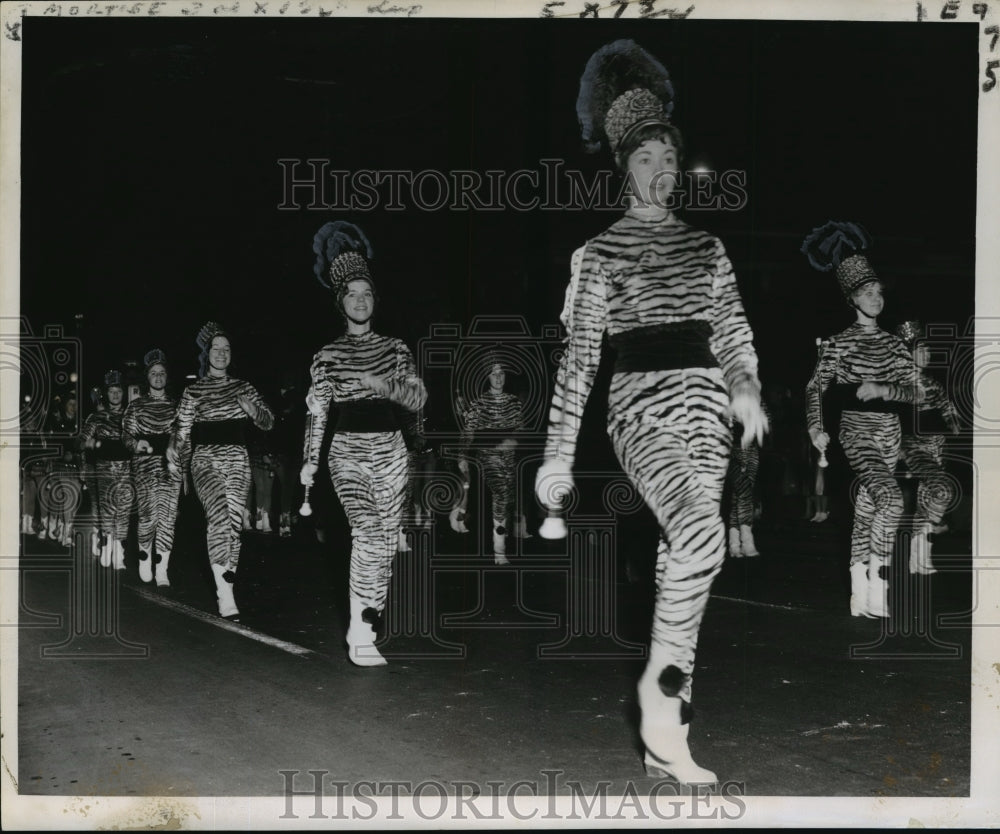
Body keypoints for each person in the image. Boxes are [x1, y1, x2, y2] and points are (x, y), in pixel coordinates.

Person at [534, 40, 767, 785]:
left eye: (670, 158)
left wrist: (747, 388)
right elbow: (578, 363)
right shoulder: (596, 255)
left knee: (687, 558)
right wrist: (556, 456)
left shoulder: (708, 248)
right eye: (646, 159)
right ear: (622, 168)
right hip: (640, 412)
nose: (661, 171)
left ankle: (669, 734)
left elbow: (732, 331)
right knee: (703, 536)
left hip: (706, 413)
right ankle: (659, 702)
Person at [301, 221, 428, 667]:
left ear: (375, 299)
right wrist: (309, 463)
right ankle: (359, 630)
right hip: (347, 453)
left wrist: (379, 381)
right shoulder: (326, 356)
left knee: (386, 540)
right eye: (352, 294)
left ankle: (367, 620)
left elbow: (417, 397)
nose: (360, 300)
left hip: (391, 450)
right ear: (341, 302)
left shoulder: (396, 349)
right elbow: (317, 412)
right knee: (368, 529)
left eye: (367, 293)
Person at [802, 221, 924, 619]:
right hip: (856, 431)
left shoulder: (893, 344)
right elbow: (815, 388)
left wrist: (885, 390)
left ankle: (859, 589)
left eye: (878, 292)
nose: (876, 298)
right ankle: (878, 581)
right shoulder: (838, 343)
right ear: (851, 298)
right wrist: (815, 427)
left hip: (891, 433)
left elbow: (919, 392)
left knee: (871, 506)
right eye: (868, 293)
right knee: (891, 499)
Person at [167, 323, 274, 619]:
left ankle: (227, 578)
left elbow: (268, 421)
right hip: (205, 460)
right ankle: (224, 594)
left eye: (226, 350)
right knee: (218, 518)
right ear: (206, 354)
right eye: (216, 349)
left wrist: (254, 411)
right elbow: (182, 430)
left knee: (234, 525)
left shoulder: (243, 387)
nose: (221, 354)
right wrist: (175, 452)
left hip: (238, 458)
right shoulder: (194, 390)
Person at [895, 320, 960, 575]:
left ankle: (921, 556)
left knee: (927, 499)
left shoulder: (934, 383)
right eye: (922, 350)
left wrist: (955, 425)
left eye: (929, 350)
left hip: (937, 447)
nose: (927, 354)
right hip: (914, 447)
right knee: (942, 490)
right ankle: (918, 545)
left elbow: (948, 409)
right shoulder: (900, 382)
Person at [456, 355, 527, 565]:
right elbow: (468, 431)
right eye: (494, 373)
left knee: (507, 499)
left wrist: (513, 441)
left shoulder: (513, 402)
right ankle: (499, 551)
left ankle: (500, 539)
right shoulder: (479, 403)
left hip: (509, 457)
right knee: (501, 495)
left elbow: (521, 430)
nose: (498, 377)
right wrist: (462, 455)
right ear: (488, 376)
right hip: (488, 455)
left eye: (501, 373)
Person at [122, 349, 182, 586]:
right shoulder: (136, 406)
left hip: (170, 468)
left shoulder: (177, 406)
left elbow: (183, 438)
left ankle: (163, 569)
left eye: (162, 373)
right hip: (145, 469)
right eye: (154, 373)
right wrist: (137, 443)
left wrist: (182, 467)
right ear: (147, 377)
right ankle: (145, 560)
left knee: (167, 519)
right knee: (148, 517)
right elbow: (126, 436)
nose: (158, 377)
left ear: (167, 377)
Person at [80, 371, 132, 569]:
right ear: (106, 394)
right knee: (107, 510)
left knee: (124, 510)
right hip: (102, 468)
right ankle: (107, 546)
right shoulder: (97, 417)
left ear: (123, 393)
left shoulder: (130, 415)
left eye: (119, 391)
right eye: (112, 391)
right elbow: (80, 441)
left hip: (126, 468)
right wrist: (87, 443)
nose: (116, 395)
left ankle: (119, 552)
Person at [726, 424, 760, 557]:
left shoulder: (759, 404)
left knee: (740, 498)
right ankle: (746, 542)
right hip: (733, 450)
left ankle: (734, 545)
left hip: (751, 451)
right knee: (743, 493)